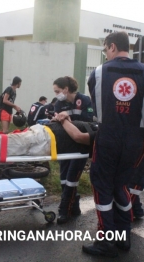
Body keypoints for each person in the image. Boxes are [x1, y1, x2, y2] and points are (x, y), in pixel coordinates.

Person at [84, 31, 144, 257]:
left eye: (106, 49)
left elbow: (99, 109)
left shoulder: (98, 73)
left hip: (108, 138)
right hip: (135, 142)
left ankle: (106, 240)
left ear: (112, 47)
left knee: (102, 187)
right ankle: (124, 236)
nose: (106, 54)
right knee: (122, 186)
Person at [53, 76, 94, 224]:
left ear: (66, 89)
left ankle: (64, 210)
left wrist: (67, 120)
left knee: (71, 179)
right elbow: (58, 125)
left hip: (80, 145)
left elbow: (88, 121)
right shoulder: (59, 104)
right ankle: (74, 206)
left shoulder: (84, 100)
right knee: (64, 179)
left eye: (58, 91)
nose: (56, 94)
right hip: (65, 146)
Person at [0, 118, 97, 157]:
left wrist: (64, 120)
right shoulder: (97, 125)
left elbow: (79, 137)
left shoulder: (104, 134)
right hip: (41, 133)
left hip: (44, 141)